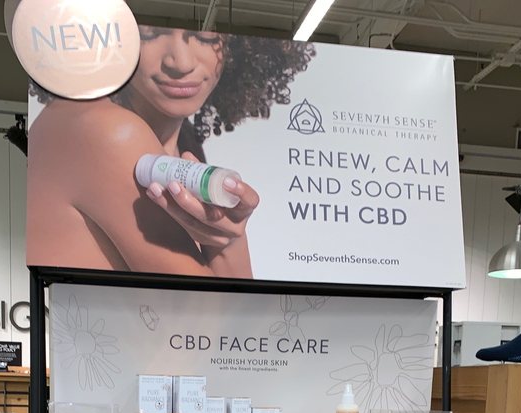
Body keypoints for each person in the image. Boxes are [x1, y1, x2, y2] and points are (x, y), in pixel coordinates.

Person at [28, 27, 314, 277]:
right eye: (151, 34)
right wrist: (229, 243)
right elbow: (220, 318)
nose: (181, 62)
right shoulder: (108, 131)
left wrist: (227, 238)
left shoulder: (184, 147)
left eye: (205, 37)